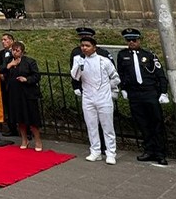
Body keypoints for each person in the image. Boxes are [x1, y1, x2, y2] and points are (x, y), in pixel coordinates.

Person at [116, 28, 169, 165]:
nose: (131, 42)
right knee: (142, 123)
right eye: (129, 40)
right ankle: (149, 150)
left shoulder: (149, 55)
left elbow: (159, 74)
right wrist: (123, 88)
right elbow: (121, 73)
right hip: (134, 93)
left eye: (134, 39)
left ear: (139, 40)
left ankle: (160, 152)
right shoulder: (123, 55)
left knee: (156, 122)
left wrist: (163, 92)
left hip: (149, 92)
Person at [71, 35, 120, 164]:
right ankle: (95, 151)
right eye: (82, 46)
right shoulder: (78, 60)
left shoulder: (104, 61)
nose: (84, 48)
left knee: (107, 126)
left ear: (94, 47)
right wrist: (79, 66)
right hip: (88, 97)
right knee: (91, 126)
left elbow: (115, 77)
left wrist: (107, 88)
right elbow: (75, 76)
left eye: (87, 46)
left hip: (103, 97)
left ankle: (111, 152)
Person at [4, 41, 43, 151]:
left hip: (27, 93)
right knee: (19, 118)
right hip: (14, 93)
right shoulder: (8, 61)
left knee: (32, 118)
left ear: (22, 51)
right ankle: (24, 139)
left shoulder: (29, 61)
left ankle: (37, 140)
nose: (15, 52)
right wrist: (10, 65)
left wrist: (27, 79)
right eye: (13, 50)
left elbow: (36, 76)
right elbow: (1, 70)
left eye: (17, 50)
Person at [0, 32, 17, 136]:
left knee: (17, 106)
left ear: (11, 41)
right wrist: (0, 74)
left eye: (5, 39)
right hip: (4, 84)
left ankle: (26, 130)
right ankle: (11, 128)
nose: (3, 42)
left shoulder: (16, 52)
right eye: (2, 40)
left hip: (14, 82)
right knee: (7, 106)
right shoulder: (0, 53)